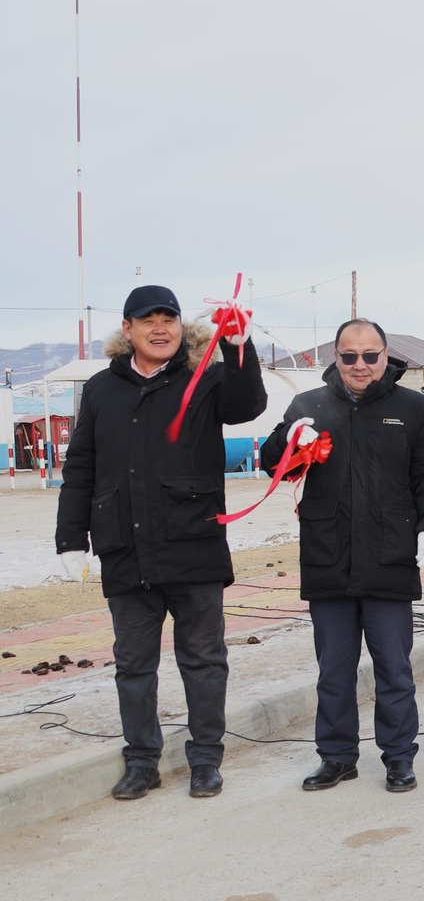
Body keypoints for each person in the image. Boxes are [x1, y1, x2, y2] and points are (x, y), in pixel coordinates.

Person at [54, 284, 266, 800]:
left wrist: (238, 345)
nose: (159, 328)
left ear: (179, 326)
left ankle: (205, 760)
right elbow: (81, 466)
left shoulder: (205, 377)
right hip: (125, 548)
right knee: (133, 666)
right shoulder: (102, 389)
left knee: (204, 660)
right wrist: (70, 539)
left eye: (168, 319)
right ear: (128, 330)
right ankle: (142, 762)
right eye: (147, 320)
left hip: (192, 544)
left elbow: (247, 404)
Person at [258, 321, 424, 794]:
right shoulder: (308, 406)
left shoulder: (414, 408)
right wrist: (287, 441)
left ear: (385, 355)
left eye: (369, 355)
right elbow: (274, 466)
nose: (360, 365)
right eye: (349, 357)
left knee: (394, 669)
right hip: (328, 557)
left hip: (391, 557)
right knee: (334, 672)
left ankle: (399, 756)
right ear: (337, 358)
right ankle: (337, 757)